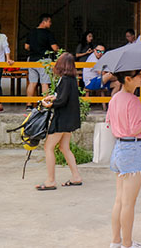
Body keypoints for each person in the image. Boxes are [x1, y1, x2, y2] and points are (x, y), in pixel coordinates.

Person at [107, 69, 141, 248]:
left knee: (119, 200)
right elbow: (134, 129)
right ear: (128, 79)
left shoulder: (114, 98)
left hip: (119, 148)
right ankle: (127, 243)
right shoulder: (133, 100)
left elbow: (109, 123)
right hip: (132, 149)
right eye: (139, 75)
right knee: (128, 203)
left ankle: (116, 241)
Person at [35, 53, 82, 191]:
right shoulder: (71, 79)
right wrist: (52, 97)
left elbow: (62, 100)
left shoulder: (65, 80)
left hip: (62, 119)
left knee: (48, 147)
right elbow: (62, 96)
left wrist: (49, 104)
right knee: (64, 147)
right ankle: (76, 177)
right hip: (69, 119)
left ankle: (50, 180)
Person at [24, 14, 59, 109]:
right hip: (44, 60)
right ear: (44, 22)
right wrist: (59, 50)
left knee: (32, 83)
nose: (50, 24)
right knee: (45, 83)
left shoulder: (31, 32)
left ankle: (29, 104)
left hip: (32, 60)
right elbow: (54, 48)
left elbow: (26, 46)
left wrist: (34, 49)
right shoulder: (48, 33)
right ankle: (45, 104)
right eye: (49, 21)